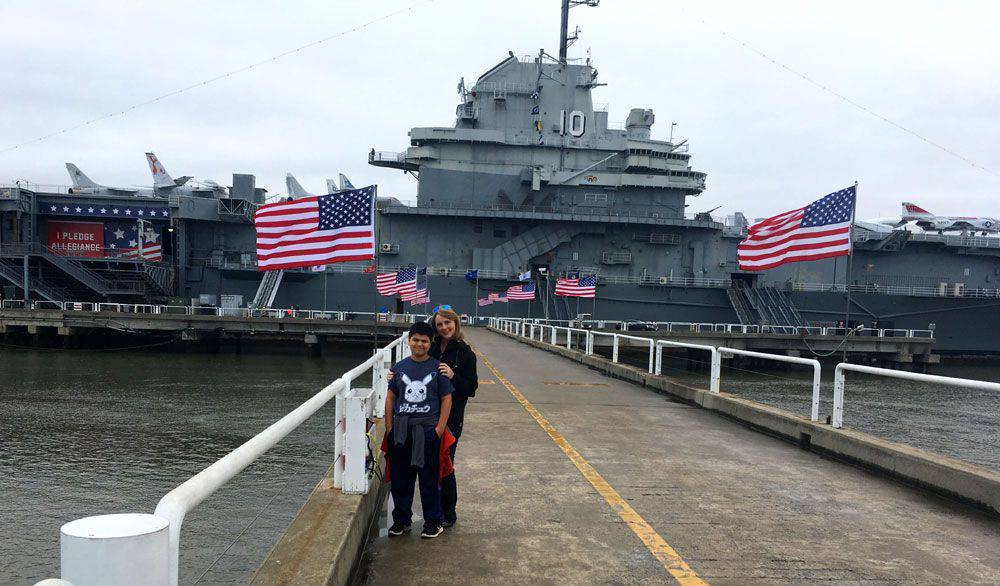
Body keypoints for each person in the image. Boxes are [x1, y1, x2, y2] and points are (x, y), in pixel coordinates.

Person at [385, 321, 453, 539]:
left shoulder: (437, 368)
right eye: (416, 340)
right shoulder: (399, 368)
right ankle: (401, 520)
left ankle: (432, 522)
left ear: (430, 342)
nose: (420, 344)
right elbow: (390, 397)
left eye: (424, 341)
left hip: (427, 431)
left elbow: (446, 398)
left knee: (429, 480)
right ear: (409, 341)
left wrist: (439, 429)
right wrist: (389, 429)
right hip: (401, 431)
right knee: (400, 479)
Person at [428, 307, 479, 527]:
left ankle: (449, 513)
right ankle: (434, 510)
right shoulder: (431, 348)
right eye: (440, 325)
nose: (444, 328)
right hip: (429, 414)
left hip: (452, 418)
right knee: (430, 464)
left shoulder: (465, 353)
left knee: (446, 464)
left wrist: (453, 375)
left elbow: (471, 388)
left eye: (448, 323)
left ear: (456, 324)